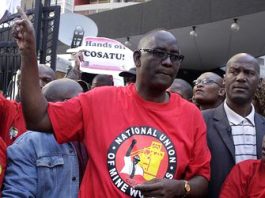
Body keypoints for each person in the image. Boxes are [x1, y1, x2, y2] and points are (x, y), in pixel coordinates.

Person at [15, 8, 210, 198]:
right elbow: (37, 118)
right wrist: (28, 52)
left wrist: (181, 188)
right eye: (158, 53)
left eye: (175, 57)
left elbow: (202, 180)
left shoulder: (191, 115)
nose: (168, 62)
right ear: (137, 59)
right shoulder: (99, 100)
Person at [2, 78, 88, 197]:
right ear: (66, 104)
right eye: (81, 101)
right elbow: (18, 193)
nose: (88, 105)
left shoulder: (93, 137)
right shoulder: (29, 144)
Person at [202, 53, 265, 198]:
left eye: (249, 73)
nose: (241, 78)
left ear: (260, 82)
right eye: (234, 72)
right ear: (224, 80)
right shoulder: (201, 121)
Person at [0, 64, 55, 146]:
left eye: (46, 80)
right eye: (32, 79)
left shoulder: (61, 117)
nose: (39, 84)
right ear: (19, 84)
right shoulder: (9, 109)